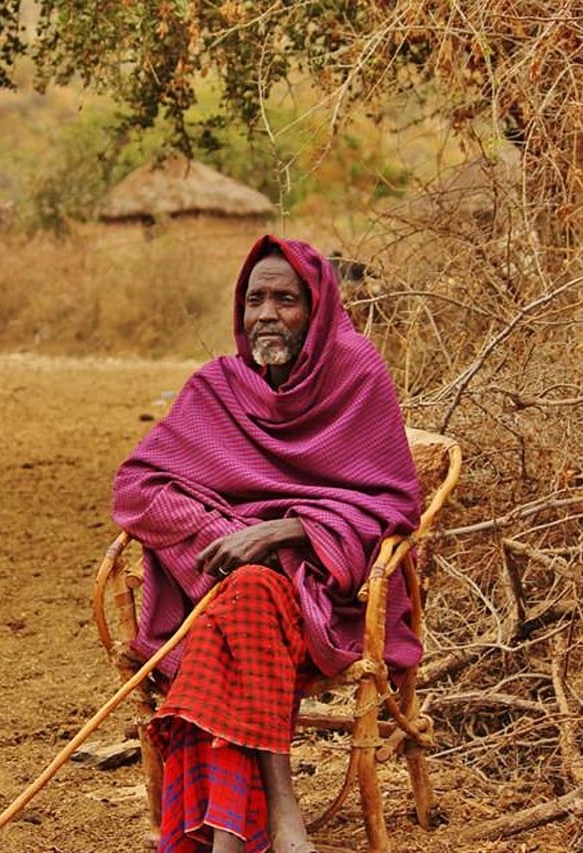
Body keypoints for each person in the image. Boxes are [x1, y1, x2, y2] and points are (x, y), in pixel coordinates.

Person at [112, 235, 421, 853]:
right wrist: (225, 536)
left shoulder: (356, 374)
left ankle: (237, 831)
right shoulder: (218, 388)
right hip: (237, 600)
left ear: (318, 308)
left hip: (326, 607)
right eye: (255, 300)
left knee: (240, 602)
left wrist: (290, 531)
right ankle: (274, 823)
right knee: (246, 592)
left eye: (286, 299)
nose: (266, 315)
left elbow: (393, 504)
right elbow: (135, 487)